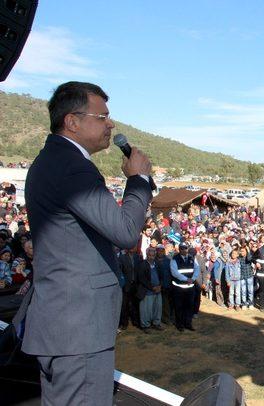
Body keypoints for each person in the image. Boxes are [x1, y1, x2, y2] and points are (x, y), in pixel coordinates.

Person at [23, 81, 152, 406]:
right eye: (102, 117)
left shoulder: (51, 161)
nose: (111, 124)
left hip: (64, 327)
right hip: (77, 330)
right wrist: (139, 182)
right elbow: (125, 232)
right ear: (73, 121)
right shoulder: (72, 168)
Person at [170, 242, 200, 331]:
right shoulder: (174, 259)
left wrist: (193, 278)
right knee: (179, 307)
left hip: (190, 287)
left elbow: (197, 268)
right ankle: (180, 325)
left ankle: (188, 323)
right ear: (179, 249)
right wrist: (186, 279)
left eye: (185, 248)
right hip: (179, 287)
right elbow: (174, 272)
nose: (184, 250)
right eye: (182, 248)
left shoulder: (192, 258)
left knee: (189, 306)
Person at [136, 247, 163, 333]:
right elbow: (142, 278)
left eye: (153, 255)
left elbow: (161, 275)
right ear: (147, 255)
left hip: (157, 290)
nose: (152, 257)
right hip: (147, 291)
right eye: (150, 255)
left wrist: (160, 286)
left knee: (157, 308)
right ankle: (145, 326)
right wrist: (152, 287)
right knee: (146, 310)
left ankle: (156, 323)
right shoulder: (143, 264)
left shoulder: (157, 263)